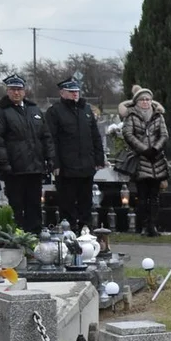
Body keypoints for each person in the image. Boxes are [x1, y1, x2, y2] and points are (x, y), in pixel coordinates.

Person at [0, 74, 55, 233]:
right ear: (7, 91)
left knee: (34, 204)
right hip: (15, 167)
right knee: (16, 205)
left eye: (19, 89)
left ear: (24, 91)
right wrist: (4, 163)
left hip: (35, 166)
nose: (16, 93)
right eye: (12, 90)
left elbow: (45, 136)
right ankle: (18, 235)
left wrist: (50, 157)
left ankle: (35, 234)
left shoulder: (34, 110)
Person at [46, 78, 105, 230]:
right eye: (71, 91)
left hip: (86, 165)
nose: (75, 94)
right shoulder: (55, 112)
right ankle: (69, 228)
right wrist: (55, 163)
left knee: (86, 200)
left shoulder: (86, 110)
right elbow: (51, 139)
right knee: (67, 201)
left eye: (77, 91)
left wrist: (99, 157)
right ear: (62, 93)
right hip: (66, 167)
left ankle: (85, 226)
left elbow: (95, 135)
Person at [120, 86, 168, 237]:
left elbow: (164, 134)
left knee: (155, 196)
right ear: (137, 102)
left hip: (156, 159)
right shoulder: (132, 116)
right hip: (140, 160)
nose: (146, 102)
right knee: (142, 196)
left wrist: (155, 149)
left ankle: (153, 226)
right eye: (142, 100)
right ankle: (143, 226)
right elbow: (128, 134)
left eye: (148, 99)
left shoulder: (158, 116)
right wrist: (144, 149)